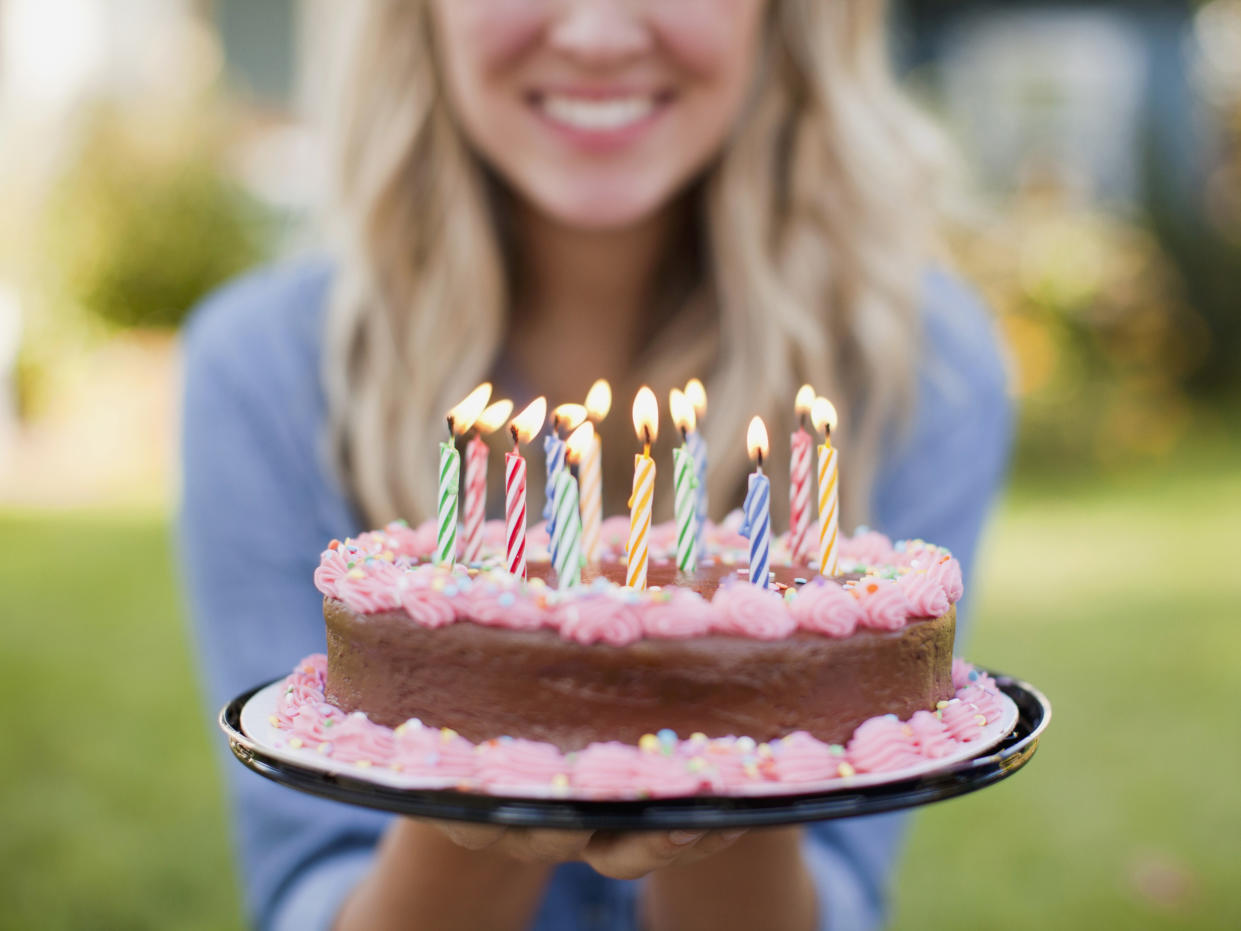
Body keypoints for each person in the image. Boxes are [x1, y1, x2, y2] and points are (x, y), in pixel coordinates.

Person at [179, 1, 1011, 929]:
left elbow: (841, 886)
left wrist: (746, 741)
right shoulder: (263, 370)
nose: (596, 34)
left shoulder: (924, 365)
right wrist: (480, 781)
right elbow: (306, 887)